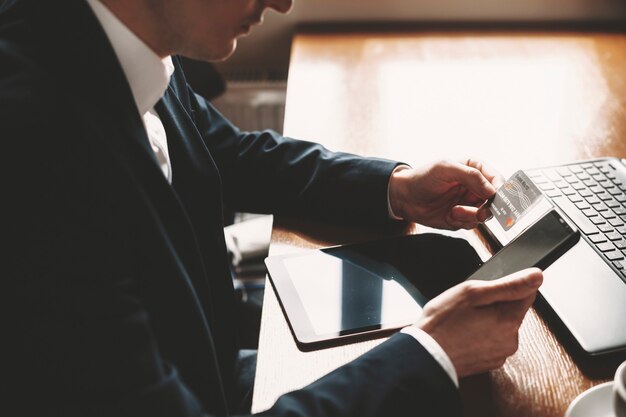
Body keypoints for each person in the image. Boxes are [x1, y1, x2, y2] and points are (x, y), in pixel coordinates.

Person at [0, 0, 543, 416]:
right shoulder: (34, 154)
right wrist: (434, 352)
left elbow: (228, 154)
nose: (282, 3)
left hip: (208, 367)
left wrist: (397, 188)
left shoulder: (114, 38)